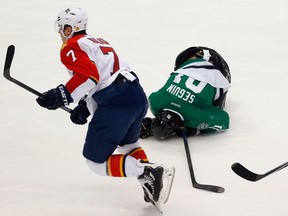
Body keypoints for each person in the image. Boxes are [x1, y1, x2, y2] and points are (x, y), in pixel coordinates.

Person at [36, 7, 175, 209]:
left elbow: (88, 77)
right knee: (128, 146)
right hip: (136, 96)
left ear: (69, 29)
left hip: (117, 102)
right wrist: (84, 105)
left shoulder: (71, 47)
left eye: (62, 29)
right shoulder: (96, 41)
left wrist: (62, 95)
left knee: (95, 163)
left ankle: (148, 172)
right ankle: (150, 182)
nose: (60, 34)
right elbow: (103, 77)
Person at [140, 46, 231, 140]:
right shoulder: (154, 102)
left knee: (216, 104)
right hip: (190, 58)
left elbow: (224, 120)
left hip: (219, 70)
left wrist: (195, 129)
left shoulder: (197, 116)